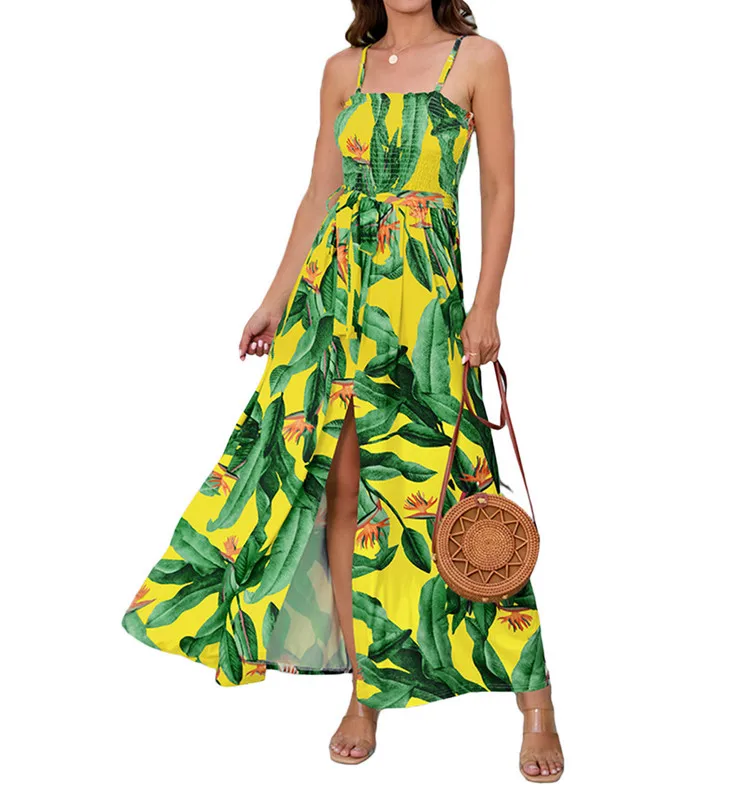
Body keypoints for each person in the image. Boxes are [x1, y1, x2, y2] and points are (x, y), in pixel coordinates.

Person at [121, 0, 564, 782]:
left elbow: (499, 189)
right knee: (340, 490)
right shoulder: (341, 71)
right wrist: (273, 298)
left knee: (458, 492)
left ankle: (537, 703)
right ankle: (366, 690)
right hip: (331, 304)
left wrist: (487, 303)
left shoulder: (478, 60)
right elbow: (320, 195)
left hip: (422, 305)